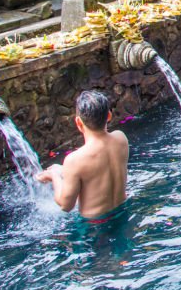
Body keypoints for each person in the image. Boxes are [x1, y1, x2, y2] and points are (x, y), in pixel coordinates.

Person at [36, 91, 128, 220]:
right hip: (123, 213)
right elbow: (98, 170)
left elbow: (65, 205)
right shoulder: (121, 139)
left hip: (95, 226)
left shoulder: (74, 161)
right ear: (108, 115)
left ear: (78, 123)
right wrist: (64, 171)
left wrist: (54, 176)